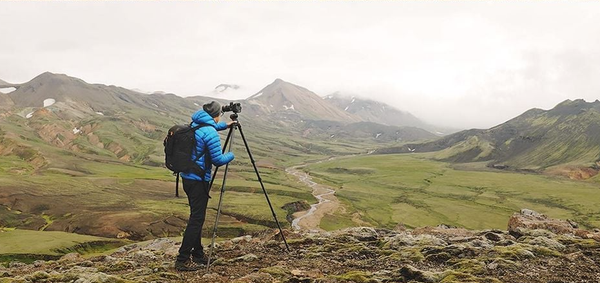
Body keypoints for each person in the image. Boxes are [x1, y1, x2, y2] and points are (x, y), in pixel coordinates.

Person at [175, 101, 235, 271]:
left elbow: (209, 129)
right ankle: (182, 260)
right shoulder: (210, 132)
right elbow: (218, 160)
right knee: (196, 220)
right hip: (199, 181)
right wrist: (231, 155)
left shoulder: (195, 124)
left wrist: (226, 125)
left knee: (196, 216)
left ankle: (198, 254)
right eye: (219, 116)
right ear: (215, 116)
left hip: (187, 178)